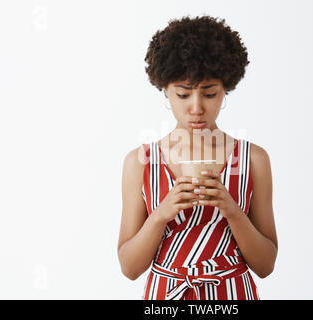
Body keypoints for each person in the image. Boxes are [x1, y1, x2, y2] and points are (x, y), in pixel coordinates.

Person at [118, 15, 278, 300]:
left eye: (209, 93)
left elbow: (265, 265)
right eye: (183, 94)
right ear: (165, 91)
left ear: (225, 89)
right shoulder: (139, 162)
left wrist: (230, 209)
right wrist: (161, 215)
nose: (196, 108)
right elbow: (129, 268)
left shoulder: (253, 159)